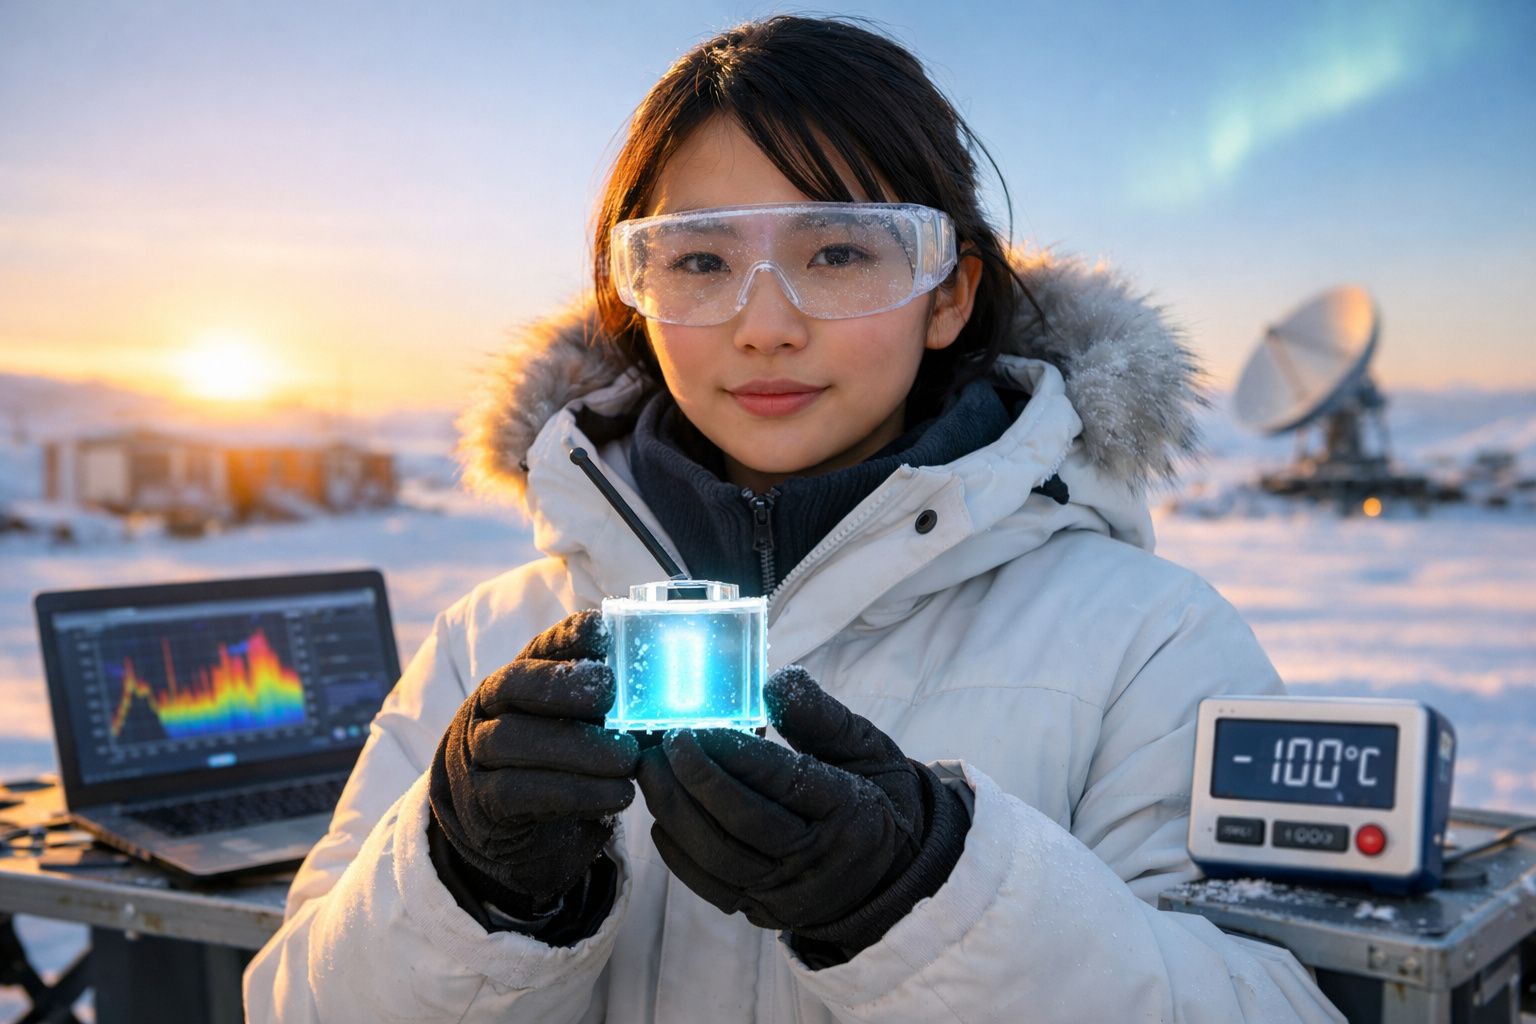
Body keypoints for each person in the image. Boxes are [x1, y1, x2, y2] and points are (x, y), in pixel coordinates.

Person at [244, 15, 1343, 1023]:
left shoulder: (1144, 639)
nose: (765, 324)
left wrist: (927, 896)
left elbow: (1277, 1000)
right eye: (702, 261)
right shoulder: (492, 644)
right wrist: (465, 884)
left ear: (949, 291)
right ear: (637, 292)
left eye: (838, 253)